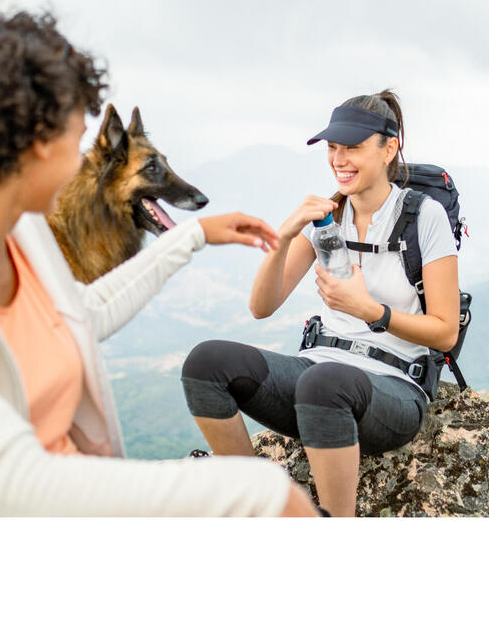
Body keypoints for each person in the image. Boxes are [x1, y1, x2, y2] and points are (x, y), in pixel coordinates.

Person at [0, 9, 318, 517]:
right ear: (38, 141)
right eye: (78, 140)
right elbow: (15, 482)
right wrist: (255, 490)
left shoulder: (22, 235)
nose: (82, 163)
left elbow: (80, 316)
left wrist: (195, 235)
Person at [181, 90, 460, 516]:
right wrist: (286, 236)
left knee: (325, 382)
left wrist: (372, 312)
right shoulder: (328, 216)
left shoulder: (424, 217)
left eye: (353, 147)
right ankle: (253, 499)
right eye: (333, 147)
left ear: (389, 148)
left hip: (394, 386)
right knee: (205, 363)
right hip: (319, 373)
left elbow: (445, 330)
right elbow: (262, 306)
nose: (339, 159)